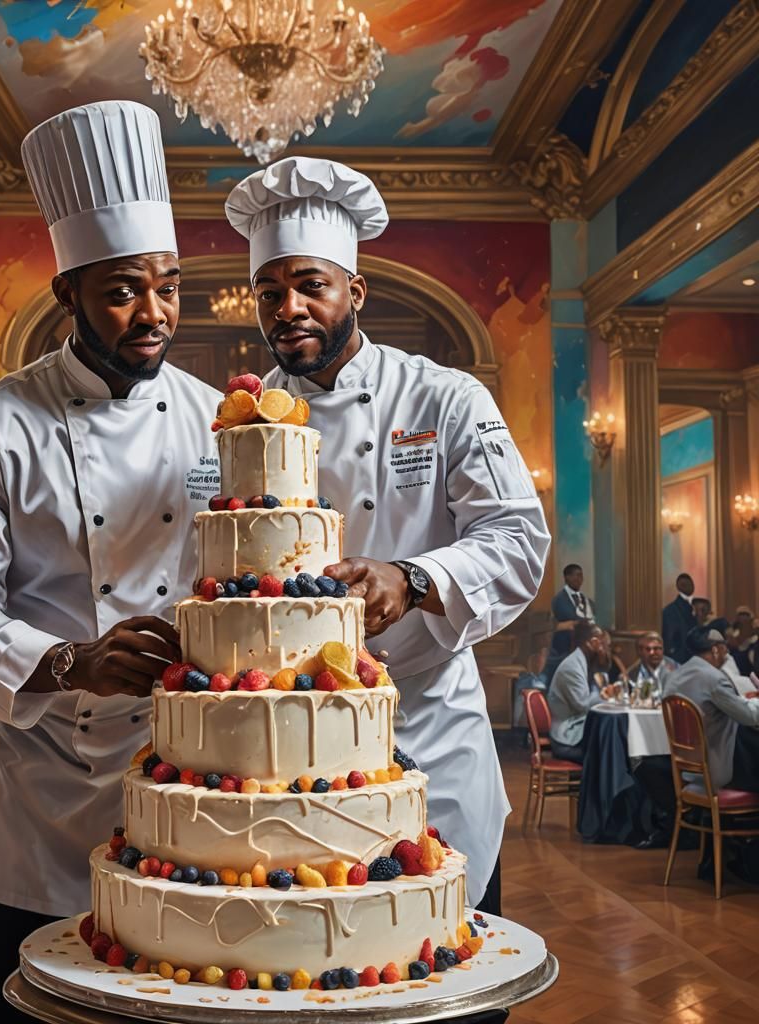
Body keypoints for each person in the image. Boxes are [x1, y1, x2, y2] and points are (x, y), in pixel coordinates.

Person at [0, 100, 221, 1024]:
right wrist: (69, 660)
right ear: (68, 296)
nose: (154, 312)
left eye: (168, 286)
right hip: (44, 797)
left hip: (188, 785)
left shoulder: (216, 416)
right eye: (124, 290)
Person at [225, 156, 550, 917]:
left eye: (311, 285)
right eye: (270, 293)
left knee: (446, 966)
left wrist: (414, 578)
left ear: (355, 292)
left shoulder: (444, 395)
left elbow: (515, 537)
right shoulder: (239, 424)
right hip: (288, 752)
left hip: (426, 728)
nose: (290, 307)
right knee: (317, 957)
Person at [665, 627, 759, 789]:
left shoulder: (675, 676)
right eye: (725, 646)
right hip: (717, 767)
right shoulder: (714, 678)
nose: (728, 652)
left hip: (686, 767)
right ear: (715, 649)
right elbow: (749, 717)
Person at [547, 622, 614, 763]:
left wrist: (602, 666)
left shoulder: (587, 662)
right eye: (605, 645)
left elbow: (601, 686)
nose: (607, 650)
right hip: (567, 739)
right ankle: (601, 784)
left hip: (579, 733)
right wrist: (604, 694)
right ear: (593, 642)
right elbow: (583, 705)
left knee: (615, 745)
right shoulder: (572, 668)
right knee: (611, 752)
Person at [662, 573, 696, 664]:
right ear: (679, 587)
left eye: (691, 584)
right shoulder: (670, 611)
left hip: (695, 657)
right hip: (680, 660)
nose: (691, 587)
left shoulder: (696, 605)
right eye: (686, 584)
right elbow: (669, 639)